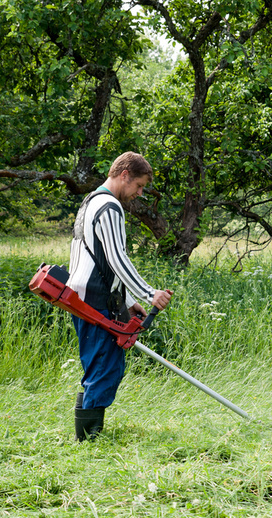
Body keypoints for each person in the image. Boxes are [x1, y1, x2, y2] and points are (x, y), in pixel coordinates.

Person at [66, 152, 172, 441]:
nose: (138, 193)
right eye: (138, 186)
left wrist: (127, 302)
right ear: (124, 174)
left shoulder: (90, 201)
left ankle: (87, 437)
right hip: (96, 300)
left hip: (86, 297)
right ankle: (88, 441)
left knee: (97, 366)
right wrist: (150, 294)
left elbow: (94, 259)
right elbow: (116, 259)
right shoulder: (109, 206)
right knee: (104, 366)